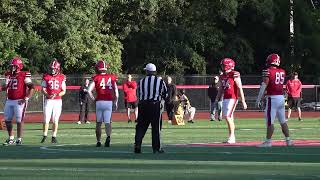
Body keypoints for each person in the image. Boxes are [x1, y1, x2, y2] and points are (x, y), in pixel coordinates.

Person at [255, 53, 293, 147]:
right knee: (282, 121)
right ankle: (288, 140)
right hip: (281, 98)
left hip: (272, 98)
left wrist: (258, 99)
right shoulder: (282, 71)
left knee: (270, 121)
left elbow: (264, 85)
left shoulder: (267, 71)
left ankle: (268, 142)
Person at [134, 63, 167, 154]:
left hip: (143, 105)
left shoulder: (141, 81)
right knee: (156, 127)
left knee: (141, 126)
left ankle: (137, 145)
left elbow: (138, 94)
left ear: (147, 71)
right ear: (155, 72)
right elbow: (165, 94)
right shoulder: (160, 81)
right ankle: (156, 148)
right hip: (155, 105)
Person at [2, 57, 35, 146]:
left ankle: (19, 139)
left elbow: (32, 87)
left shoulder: (24, 74)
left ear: (19, 66)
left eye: (14, 66)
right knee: (7, 119)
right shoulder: (8, 74)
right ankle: (11, 138)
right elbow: (5, 86)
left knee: (19, 120)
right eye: (11, 66)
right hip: (10, 100)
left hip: (20, 100)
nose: (12, 67)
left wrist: (26, 98)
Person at [216, 58, 247, 144]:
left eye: (223, 65)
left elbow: (240, 88)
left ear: (228, 65)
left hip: (233, 98)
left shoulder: (234, 74)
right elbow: (221, 89)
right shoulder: (222, 76)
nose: (222, 66)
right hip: (225, 98)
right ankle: (231, 136)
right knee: (229, 117)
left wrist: (243, 101)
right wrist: (217, 98)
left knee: (227, 116)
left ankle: (232, 137)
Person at [88, 59, 118, 147]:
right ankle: (108, 137)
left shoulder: (96, 77)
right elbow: (116, 91)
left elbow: (89, 91)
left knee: (98, 122)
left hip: (99, 102)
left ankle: (98, 141)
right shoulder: (112, 77)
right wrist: (115, 101)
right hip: (108, 102)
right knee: (108, 122)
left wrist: (93, 99)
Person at [40, 59, 66, 144]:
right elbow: (43, 89)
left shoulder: (62, 77)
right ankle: (44, 135)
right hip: (49, 100)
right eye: (51, 68)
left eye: (54, 68)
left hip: (57, 101)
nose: (52, 70)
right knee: (46, 119)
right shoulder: (46, 76)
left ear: (57, 69)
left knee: (55, 119)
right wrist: (48, 95)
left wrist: (57, 95)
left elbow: (64, 91)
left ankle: (54, 136)